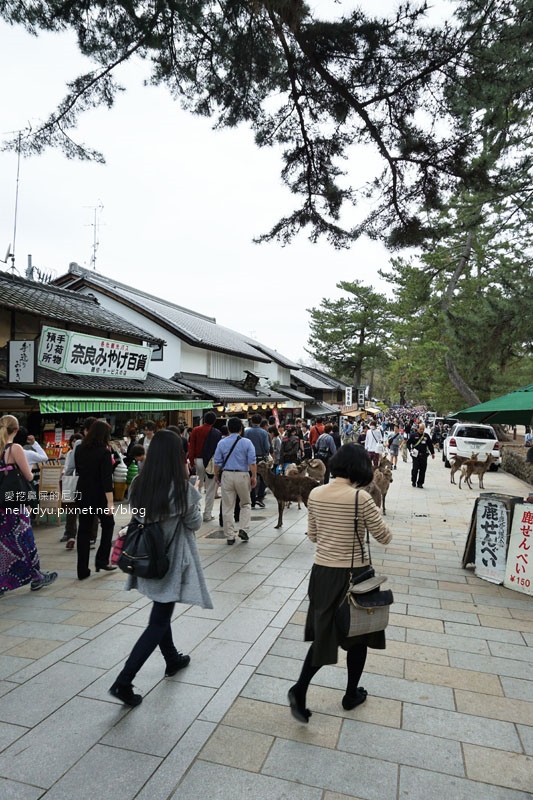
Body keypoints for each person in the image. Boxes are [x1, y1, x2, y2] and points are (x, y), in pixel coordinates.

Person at [288, 443, 392, 723]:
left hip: (322, 573)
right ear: (360, 468)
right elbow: (384, 536)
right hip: (354, 575)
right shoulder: (361, 498)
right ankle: (350, 694)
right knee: (357, 635)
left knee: (325, 635)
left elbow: (312, 535)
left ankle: (299, 689)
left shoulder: (317, 493)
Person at [109, 430, 212, 706]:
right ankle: (123, 681)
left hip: (144, 555)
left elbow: (137, 513)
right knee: (158, 621)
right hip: (169, 560)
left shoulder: (140, 483)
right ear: (177, 455)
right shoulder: (180, 488)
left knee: (161, 608)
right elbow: (194, 524)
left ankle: (172, 658)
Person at [0, 415, 58, 597]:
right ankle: (36, 577)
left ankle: (4, 582)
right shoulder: (14, 448)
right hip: (15, 502)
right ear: (16, 431)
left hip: (1, 503)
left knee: (4, 541)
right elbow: (29, 476)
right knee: (24, 539)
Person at [74, 420, 116, 579]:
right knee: (108, 524)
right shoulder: (104, 452)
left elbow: (78, 469)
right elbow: (107, 480)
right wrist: (110, 503)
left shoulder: (79, 449)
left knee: (83, 530)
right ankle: (102, 559)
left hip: (83, 493)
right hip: (99, 495)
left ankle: (82, 570)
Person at [214, 417, 257, 544]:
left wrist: (217, 475)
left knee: (228, 506)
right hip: (243, 475)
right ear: (241, 429)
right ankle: (243, 528)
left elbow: (217, 462)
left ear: (228, 429)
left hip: (227, 474)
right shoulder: (247, 442)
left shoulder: (221, 443)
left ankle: (229, 536)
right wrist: (253, 476)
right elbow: (252, 462)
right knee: (245, 503)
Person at [188, 412, 221, 522]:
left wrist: (192, 462)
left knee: (197, 487)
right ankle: (207, 514)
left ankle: (196, 511)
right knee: (210, 488)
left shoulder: (196, 430)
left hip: (198, 461)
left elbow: (191, 447)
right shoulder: (217, 433)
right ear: (214, 421)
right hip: (211, 463)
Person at [244, 413, 271, 508]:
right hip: (260, 459)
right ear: (260, 422)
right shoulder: (264, 433)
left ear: (251, 422)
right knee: (263, 479)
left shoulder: (246, 432)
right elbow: (267, 447)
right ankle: (259, 497)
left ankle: (251, 499)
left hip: (248, 459)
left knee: (250, 478)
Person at [408, 422, 435, 488]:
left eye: (423, 429)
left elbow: (430, 445)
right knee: (415, 469)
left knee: (423, 470)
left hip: (424, 455)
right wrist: (410, 449)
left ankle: (420, 483)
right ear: (417, 429)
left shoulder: (426, 436)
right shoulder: (413, 435)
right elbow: (408, 443)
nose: (422, 430)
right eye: (420, 429)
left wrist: (432, 453)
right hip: (415, 455)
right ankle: (413, 481)